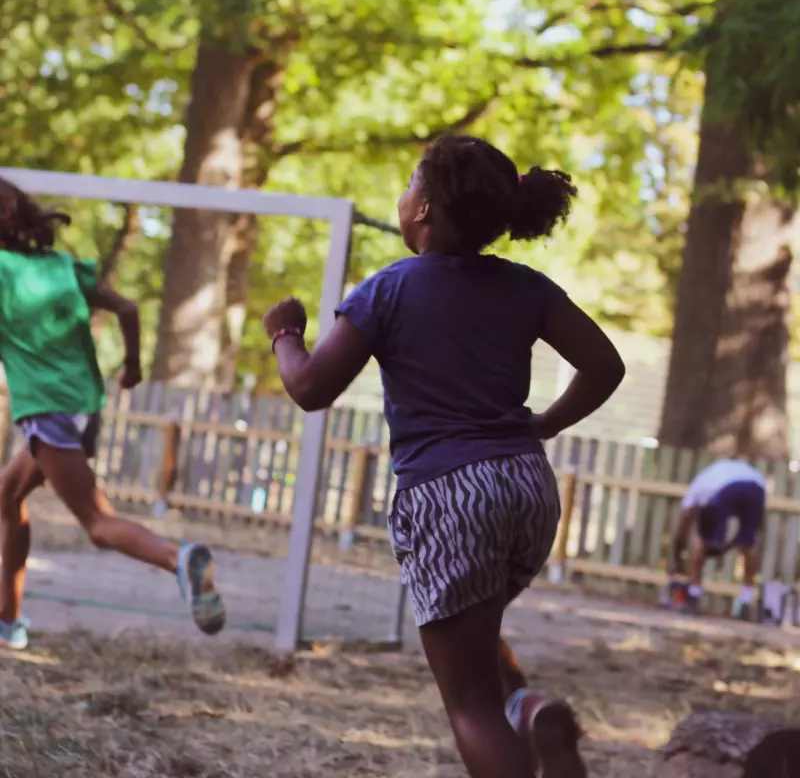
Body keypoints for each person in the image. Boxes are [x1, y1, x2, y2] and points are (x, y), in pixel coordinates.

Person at [263, 135, 625, 778]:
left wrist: (285, 334)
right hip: (527, 490)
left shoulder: (389, 289)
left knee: (467, 705)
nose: (402, 197)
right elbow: (605, 365)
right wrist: (542, 425)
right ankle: (529, 707)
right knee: (478, 632)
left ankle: (513, 727)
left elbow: (312, 388)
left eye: (408, 185)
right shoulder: (526, 288)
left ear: (424, 208)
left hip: (449, 494)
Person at [0, 177, 226, 650]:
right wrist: (133, 365)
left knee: (98, 524)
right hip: (83, 405)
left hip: (48, 410)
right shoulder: (63, 267)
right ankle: (9, 618)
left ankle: (178, 558)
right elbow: (127, 308)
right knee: (8, 494)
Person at [668, 458, 766, 618]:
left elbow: (682, 530)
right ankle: (746, 601)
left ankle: (694, 592)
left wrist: (677, 560)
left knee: (703, 536)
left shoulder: (696, 489)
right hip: (756, 487)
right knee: (748, 543)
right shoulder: (720, 474)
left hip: (725, 490)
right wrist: (730, 545)